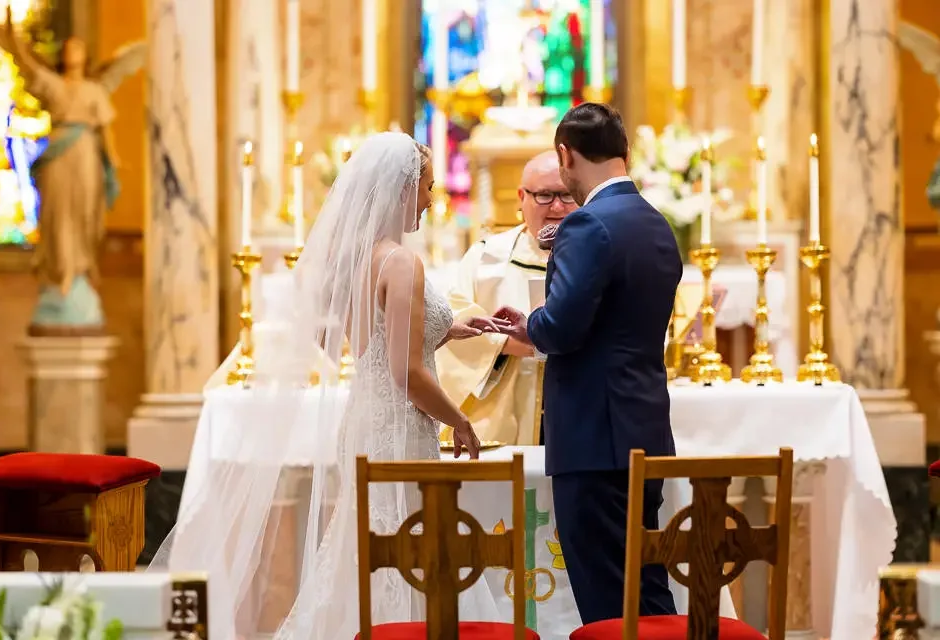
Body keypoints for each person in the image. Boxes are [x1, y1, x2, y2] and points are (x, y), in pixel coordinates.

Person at [150, 133, 507, 638]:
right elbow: (406, 374)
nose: (431, 199)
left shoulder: (357, 259)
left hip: (366, 416)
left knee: (366, 545)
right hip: (400, 427)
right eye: (427, 188)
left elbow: (365, 341)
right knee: (412, 548)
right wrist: (461, 420)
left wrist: (445, 329)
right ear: (402, 190)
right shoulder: (402, 262)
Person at [495, 103, 682, 624]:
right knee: (645, 593)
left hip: (593, 439)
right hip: (643, 428)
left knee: (606, 605)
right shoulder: (657, 224)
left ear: (565, 155)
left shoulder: (588, 225)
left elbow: (563, 328)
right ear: (624, 153)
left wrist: (530, 323)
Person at [0, 9, 143, 302]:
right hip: (58, 154)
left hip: (85, 157)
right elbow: (25, 62)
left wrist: (115, 160)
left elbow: (105, 129)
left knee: (83, 213)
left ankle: (80, 268)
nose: (72, 53)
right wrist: (10, 34)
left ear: (86, 56)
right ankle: (60, 271)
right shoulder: (52, 84)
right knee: (58, 214)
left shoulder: (93, 91)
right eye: (68, 48)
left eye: (78, 48)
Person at [437, 150, 577, 445]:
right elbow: (452, 324)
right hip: (503, 414)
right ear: (521, 197)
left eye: (567, 195)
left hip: (581, 406)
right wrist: (512, 343)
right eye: (544, 195)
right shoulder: (488, 257)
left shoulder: (598, 254)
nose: (556, 206)